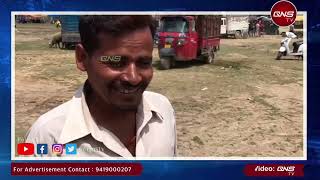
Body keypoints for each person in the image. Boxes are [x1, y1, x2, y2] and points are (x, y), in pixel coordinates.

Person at [25, 15, 176, 158]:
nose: (133, 78)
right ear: (82, 58)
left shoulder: (163, 111)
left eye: (144, 63)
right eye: (116, 62)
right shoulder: (48, 137)